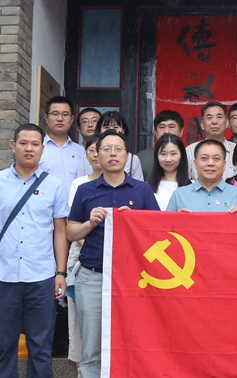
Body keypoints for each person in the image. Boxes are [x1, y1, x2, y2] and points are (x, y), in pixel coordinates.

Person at [0, 123, 69, 378]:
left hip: (41, 277)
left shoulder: (55, 185)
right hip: (4, 276)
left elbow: (60, 231)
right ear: (13, 146)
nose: (29, 148)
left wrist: (60, 272)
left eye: (35, 144)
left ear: (42, 149)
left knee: (41, 346)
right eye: (24, 143)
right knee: (4, 345)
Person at [67, 129, 161, 378]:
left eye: (118, 149)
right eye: (106, 149)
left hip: (133, 279)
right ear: (97, 155)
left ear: (127, 156)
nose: (113, 154)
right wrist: (90, 223)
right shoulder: (85, 190)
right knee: (91, 347)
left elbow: (158, 232)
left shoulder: (142, 190)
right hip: (93, 276)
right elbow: (70, 233)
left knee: (131, 342)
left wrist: (135, 222)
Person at [65, 134, 104, 371]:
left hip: (118, 266)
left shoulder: (135, 188)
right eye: (92, 150)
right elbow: (72, 226)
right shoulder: (80, 185)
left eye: (103, 149)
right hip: (85, 261)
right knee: (83, 322)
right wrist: (89, 238)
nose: (98, 154)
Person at [168, 139, 237, 213]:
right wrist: (177, 219)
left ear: (224, 165)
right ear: (195, 164)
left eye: (216, 159)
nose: (210, 163)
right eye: (204, 158)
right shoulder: (179, 195)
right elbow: (166, 223)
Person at [40, 96, 90, 187]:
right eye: (55, 114)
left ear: (71, 119)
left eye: (65, 114)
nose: (60, 119)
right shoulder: (37, 149)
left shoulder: (81, 151)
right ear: (46, 118)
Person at [185, 102, 237, 181]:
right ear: (202, 124)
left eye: (219, 117)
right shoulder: (190, 151)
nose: (214, 122)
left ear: (227, 122)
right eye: (209, 118)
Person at [146, 133, 191, 211]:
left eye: (173, 154)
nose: (168, 159)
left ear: (182, 156)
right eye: (163, 154)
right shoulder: (146, 187)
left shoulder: (193, 187)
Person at [95, 111, 145, 181]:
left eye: (116, 127)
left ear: (123, 130)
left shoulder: (133, 159)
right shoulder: (90, 156)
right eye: (106, 127)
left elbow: (138, 184)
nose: (111, 130)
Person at [138, 110, 185, 180]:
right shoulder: (141, 158)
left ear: (181, 131)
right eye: (162, 127)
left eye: (171, 127)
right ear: (155, 132)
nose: (166, 131)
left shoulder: (189, 156)